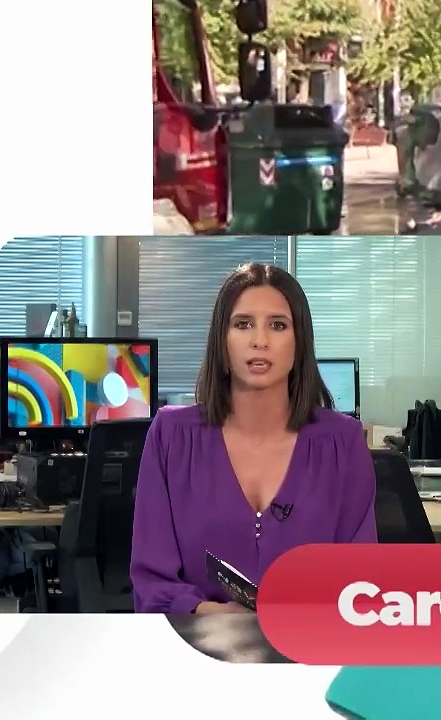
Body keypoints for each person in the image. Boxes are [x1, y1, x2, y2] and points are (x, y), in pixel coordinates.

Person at [131, 263, 376, 614]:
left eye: (278, 325)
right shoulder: (172, 437)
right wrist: (208, 613)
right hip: (198, 650)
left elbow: (361, 586)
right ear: (222, 339)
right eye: (243, 324)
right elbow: (151, 583)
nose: (260, 341)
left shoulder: (343, 443)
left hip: (308, 653)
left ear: (299, 341)